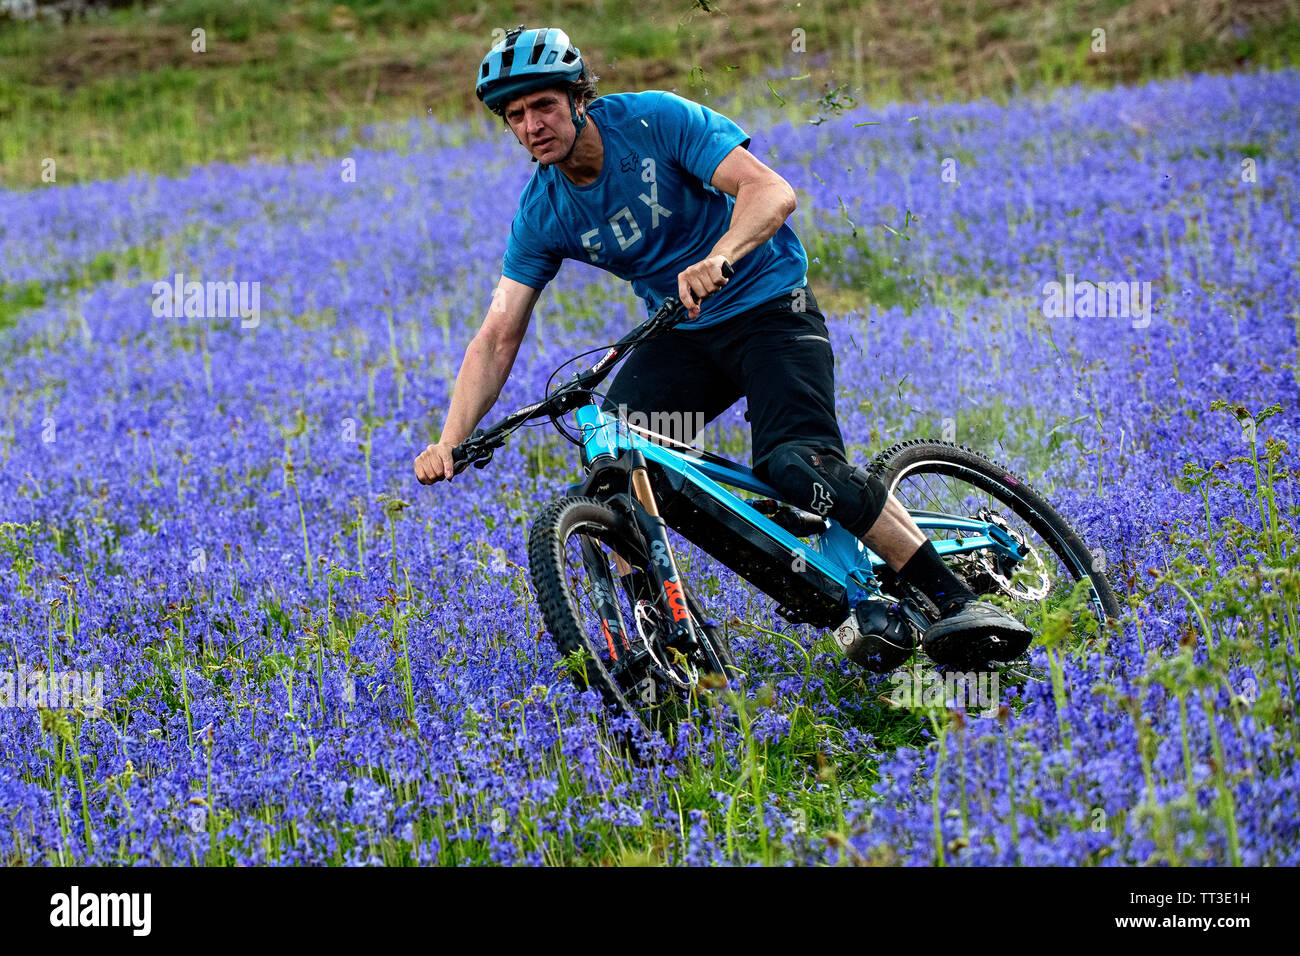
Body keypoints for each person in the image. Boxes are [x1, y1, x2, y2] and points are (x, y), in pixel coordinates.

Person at [413, 26, 1031, 671]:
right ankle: (665, 642)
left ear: (578, 99)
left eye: (543, 105)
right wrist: (452, 438)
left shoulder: (656, 121)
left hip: (770, 310)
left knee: (797, 466)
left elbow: (771, 191)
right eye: (516, 115)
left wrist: (720, 256)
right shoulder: (544, 210)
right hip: (681, 334)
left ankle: (954, 600)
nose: (532, 124)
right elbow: (498, 332)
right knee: (618, 468)